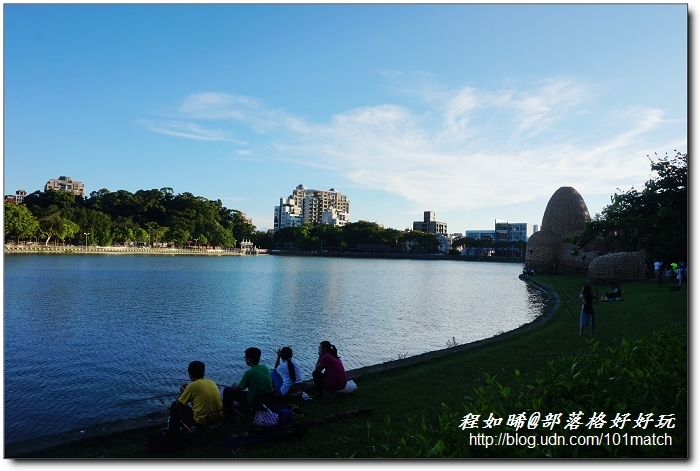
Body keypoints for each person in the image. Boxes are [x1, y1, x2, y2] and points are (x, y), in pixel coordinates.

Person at [168, 361, 223, 431]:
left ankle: (172, 432)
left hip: (202, 422)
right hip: (219, 418)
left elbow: (178, 404)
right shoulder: (212, 382)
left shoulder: (192, 386)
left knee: (174, 406)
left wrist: (183, 392)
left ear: (190, 374)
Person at [222, 347, 274, 414]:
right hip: (267, 398)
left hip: (254, 400)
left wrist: (234, 385)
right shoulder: (265, 367)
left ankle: (228, 415)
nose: (245, 359)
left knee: (227, 391)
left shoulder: (249, 372)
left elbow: (237, 389)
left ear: (249, 360)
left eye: (245, 358)